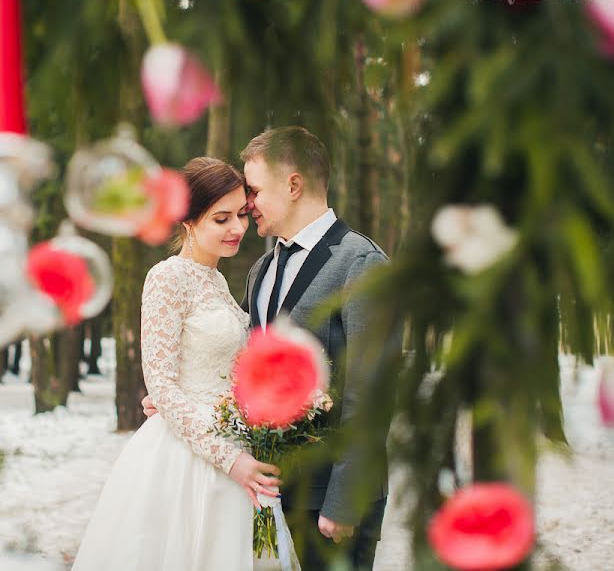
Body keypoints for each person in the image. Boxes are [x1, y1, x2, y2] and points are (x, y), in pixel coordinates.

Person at [144, 127, 390, 569]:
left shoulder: (359, 262)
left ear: (293, 185)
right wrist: (175, 391)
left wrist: (344, 500)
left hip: (330, 502)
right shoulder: (260, 269)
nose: (247, 207)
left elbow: (370, 394)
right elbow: (243, 363)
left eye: (253, 192)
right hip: (267, 492)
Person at [72, 157, 281, 571]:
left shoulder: (218, 281)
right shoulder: (167, 279)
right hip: (189, 459)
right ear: (187, 221)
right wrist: (229, 460)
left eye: (241, 214)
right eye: (221, 218)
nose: (237, 228)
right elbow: (163, 386)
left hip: (237, 443)